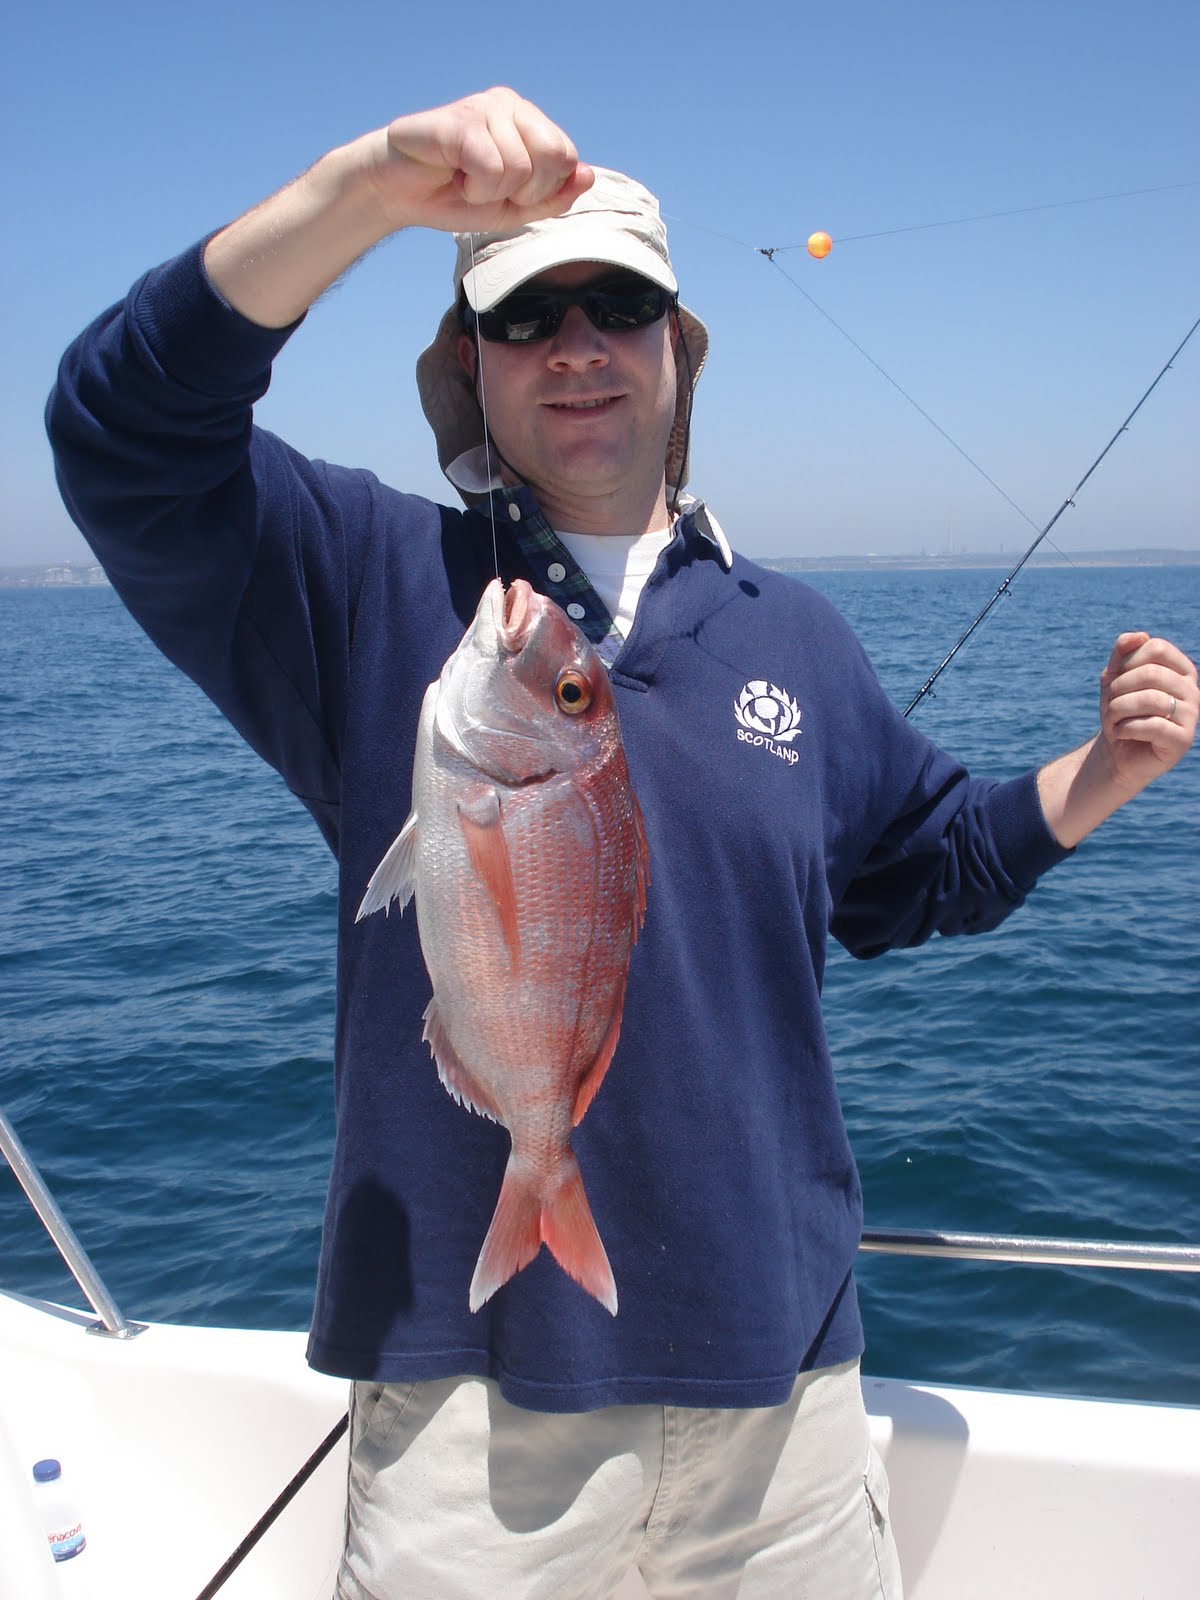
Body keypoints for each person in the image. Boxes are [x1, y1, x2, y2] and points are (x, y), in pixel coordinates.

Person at [46, 88, 1197, 1600]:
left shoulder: (796, 632)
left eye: (620, 307)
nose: (577, 345)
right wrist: (364, 189)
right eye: (527, 317)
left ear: (677, 348)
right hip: (476, 1409)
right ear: (470, 365)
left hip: (785, 1394)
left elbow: (929, 868)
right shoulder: (371, 580)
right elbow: (126, 432)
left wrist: (1110, 769)